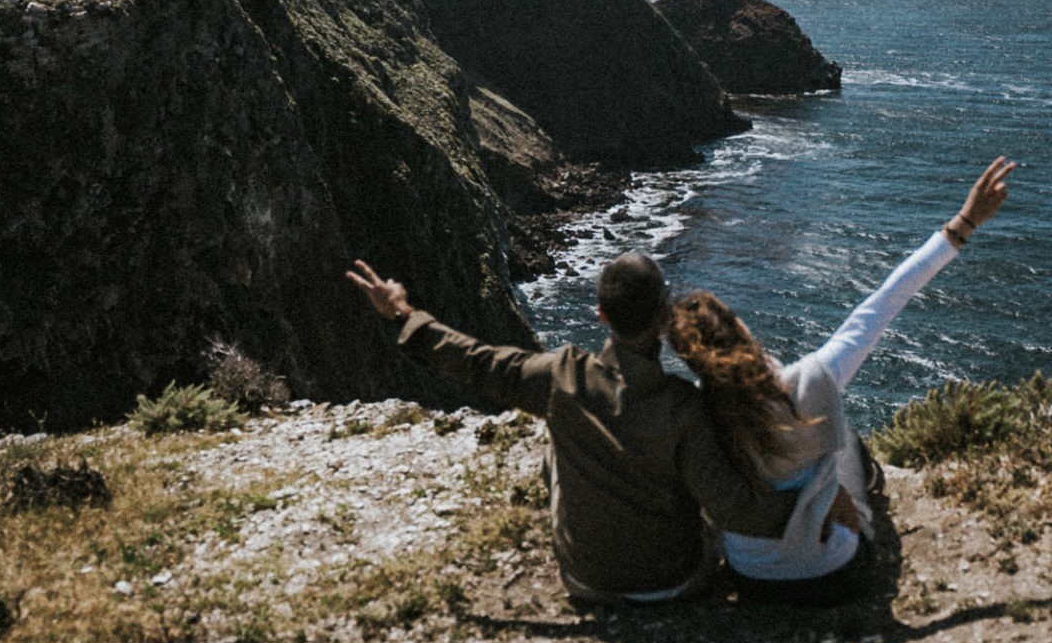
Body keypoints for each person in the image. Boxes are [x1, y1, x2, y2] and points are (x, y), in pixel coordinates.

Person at [345, 250, 802, 604]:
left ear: (600, 313)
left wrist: (404, 314)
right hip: (669, 583)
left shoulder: (560, 376)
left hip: (584, 579)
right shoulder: (684, 408)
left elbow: (477, 362)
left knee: (556, 432)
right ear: (664, 317)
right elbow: (734, 512)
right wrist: (812, 504)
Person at [667, 156, 1017, 606]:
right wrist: (963, 223)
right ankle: (862, 492)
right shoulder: (808, 381)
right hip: (831, 571)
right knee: (846, 439)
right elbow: (881, 305)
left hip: (750, 578)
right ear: (741, 333)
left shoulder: (693, 411)